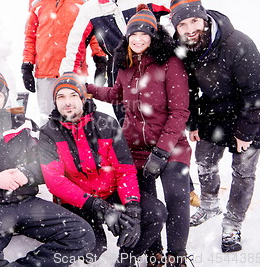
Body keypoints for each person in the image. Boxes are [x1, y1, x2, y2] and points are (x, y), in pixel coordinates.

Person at [0, 65, 95, 267]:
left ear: (5, 96)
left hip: (26, 202)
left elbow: (50, 162)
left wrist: (26, 174)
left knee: (82, 235)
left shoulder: (23, 124)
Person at [87, 5, 192, 266]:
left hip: (172, 145)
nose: (138, 39)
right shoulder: (125, 65)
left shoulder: (171, 64)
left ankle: (177, 254)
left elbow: (180, 112)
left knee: (175, 194)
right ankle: (154, 252)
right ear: (127, 36)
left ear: (154, 37)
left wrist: (162, 150)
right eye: (134, 33)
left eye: (145, 34)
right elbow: (115, 95)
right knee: (147, 203)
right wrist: (87, 89)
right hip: (135, 148)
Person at [170, 0, 260, 253]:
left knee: (243, 172)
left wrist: (246, 132)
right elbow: (188, 88)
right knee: (204, 161)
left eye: (194, 20)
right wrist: (194, 122)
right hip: (215, 111)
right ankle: (210, 205)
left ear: (204, 17)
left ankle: (233, 224)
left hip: (251, 114)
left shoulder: (237, 43)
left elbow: (258, 91)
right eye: (183, 24)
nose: (190, 29)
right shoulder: (185, 47)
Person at [38, 72, 167, 267]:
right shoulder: (48, 133)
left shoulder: (106, 124)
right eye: (61, 97)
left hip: (110, 193)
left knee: (155, 213)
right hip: (79, 202)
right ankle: (95, 238)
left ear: (83, 97)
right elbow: (55, 182)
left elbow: (124, 170)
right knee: (92, 250)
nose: (67, 102)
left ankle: (126, 260)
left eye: (73, 95)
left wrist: (132, 208)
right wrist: (97, 206)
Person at [59, 0, 173, 125]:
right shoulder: (91, 9)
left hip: (153, 67)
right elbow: (75, 46)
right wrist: (68, 77)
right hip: (120, 71)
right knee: (127, 125)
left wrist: (172, 41)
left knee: (161, 122)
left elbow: (179, 6)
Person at [21, 0, 105, 125]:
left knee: (79, 120)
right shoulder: (36, 0)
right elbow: (30, 36)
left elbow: (95, 32)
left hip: (75, 71)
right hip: (45, 73)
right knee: (47, 121)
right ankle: (48, 153)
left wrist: (100, 59)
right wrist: (27, 66)